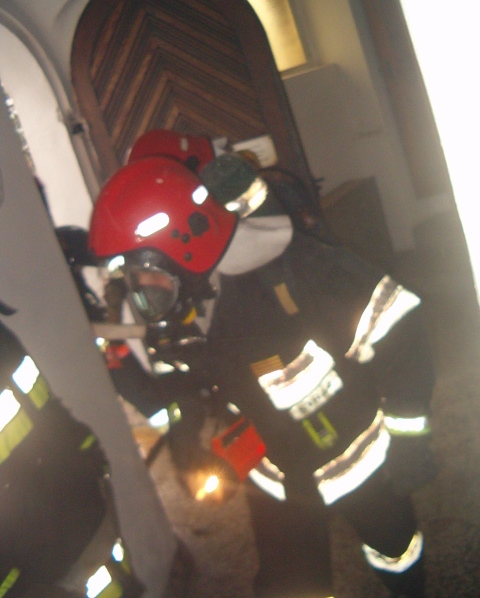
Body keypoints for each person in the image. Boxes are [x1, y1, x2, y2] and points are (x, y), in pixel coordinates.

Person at [87, 154, 437, 598]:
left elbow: (398, 329)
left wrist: (409, 440)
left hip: (362, 460)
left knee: (396, 549)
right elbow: (182, 390)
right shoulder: (186, 314)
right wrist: (179, 432)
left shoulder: (299, 270)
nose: (143, 294)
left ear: (184, 249)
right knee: (289, 588)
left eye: (146, 277)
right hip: (279, 479)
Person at [0, 307, 144, 597]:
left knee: (109, 577)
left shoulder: (4, 343)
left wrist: (87, 452)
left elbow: (45, 409)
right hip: (50, 544)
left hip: (73, 515)